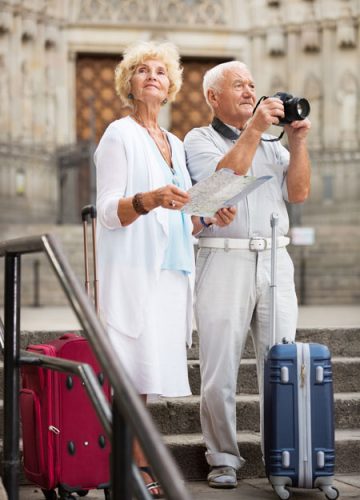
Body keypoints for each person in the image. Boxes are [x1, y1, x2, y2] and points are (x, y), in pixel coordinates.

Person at [94, 41, 235, 498]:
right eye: (141, 70)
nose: (152, 76)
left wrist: (209, 215)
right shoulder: (119, 134)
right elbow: (107, 211)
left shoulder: (174, 142)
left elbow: (184, 218)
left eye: (160, 71)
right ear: (129, 84)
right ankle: (134, 468)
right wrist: (148, 199)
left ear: (171, 85)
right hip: (135, 269)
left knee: (145, 375)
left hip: (170, 271)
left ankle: (131, 462)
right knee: (129, 374)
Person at [184, 60, 311, 489]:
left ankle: (285, 456)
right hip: (223, 257)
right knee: (219, 367)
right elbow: (221, 182)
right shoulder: (197, 139)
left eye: (252, 84)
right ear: (212, 97)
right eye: (237, 85)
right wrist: (255, 130)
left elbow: (298, 193)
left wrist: (296, 143)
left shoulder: (274, 144)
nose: (249, 90)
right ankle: (222, 457)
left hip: (276, 260)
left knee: (282, 363)